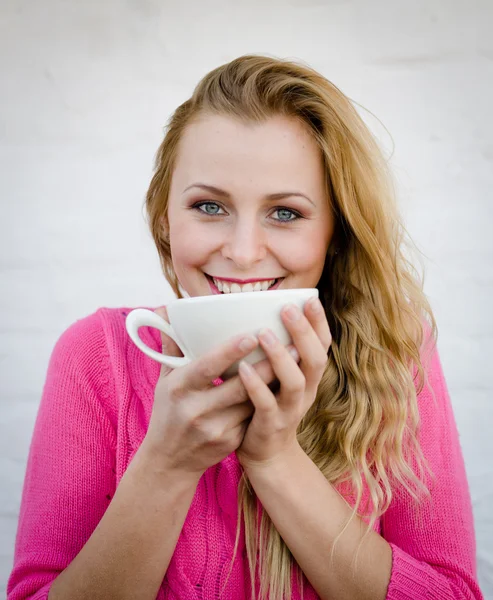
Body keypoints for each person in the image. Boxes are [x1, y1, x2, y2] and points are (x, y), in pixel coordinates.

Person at [7, 55, 484, 600]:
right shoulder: (96, 357)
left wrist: (276, 460)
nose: (241, 251)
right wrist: (167, 465)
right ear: (165, 218)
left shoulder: (397, 351)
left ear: (334, 232)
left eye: (285, 213)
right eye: (209, 206)